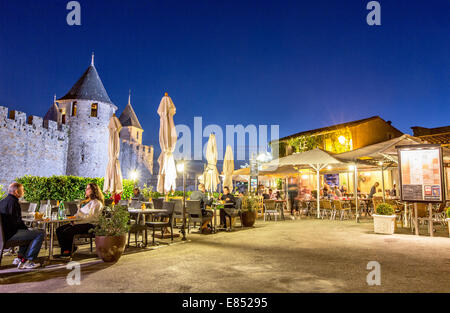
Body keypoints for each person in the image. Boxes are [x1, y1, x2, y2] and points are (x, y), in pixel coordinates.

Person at [0, 182, 44, 269]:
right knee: (39, 233)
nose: (24, 192)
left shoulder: (3, 201)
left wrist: (26, 230)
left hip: (2, 235)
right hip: (10, 235)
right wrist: (27, 229)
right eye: (22, 190)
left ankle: (20, 258)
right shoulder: (14, 202)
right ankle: (28, 260)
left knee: (27, 232)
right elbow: (17, 222)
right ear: (16, 191)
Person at [56, 183, 104, 257]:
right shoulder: (89, 202)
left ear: (93, 190)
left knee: (67, 232)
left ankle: (67, 251)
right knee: (59, 229)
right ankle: (68, 249)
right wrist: (74, 219)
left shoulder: (96, 203)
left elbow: (90, 218)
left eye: (88, 189)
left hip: (91, 225)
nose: (86, 190)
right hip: (82, 223)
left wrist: (77, 222)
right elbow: (81, 214)